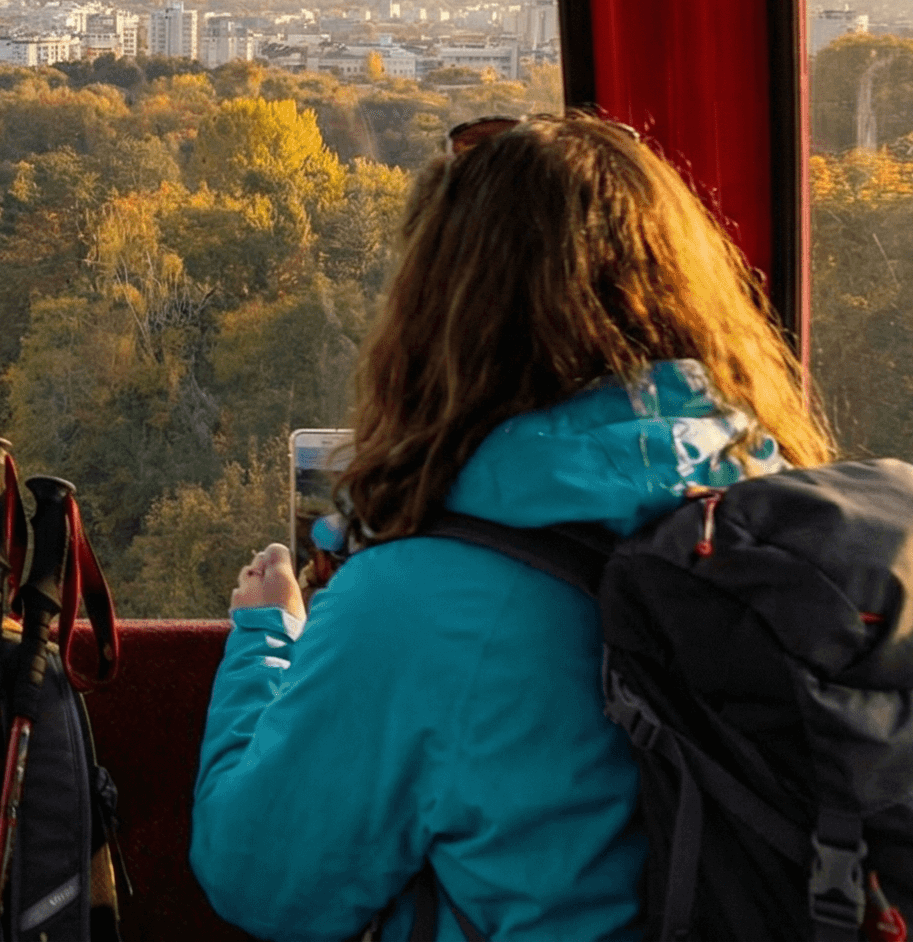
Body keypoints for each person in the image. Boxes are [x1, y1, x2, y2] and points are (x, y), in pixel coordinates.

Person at [189, 112, 835, 941]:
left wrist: (265, 640)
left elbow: (261, 880)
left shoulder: (420, 602)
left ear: (442, 315)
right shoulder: (781, 513)